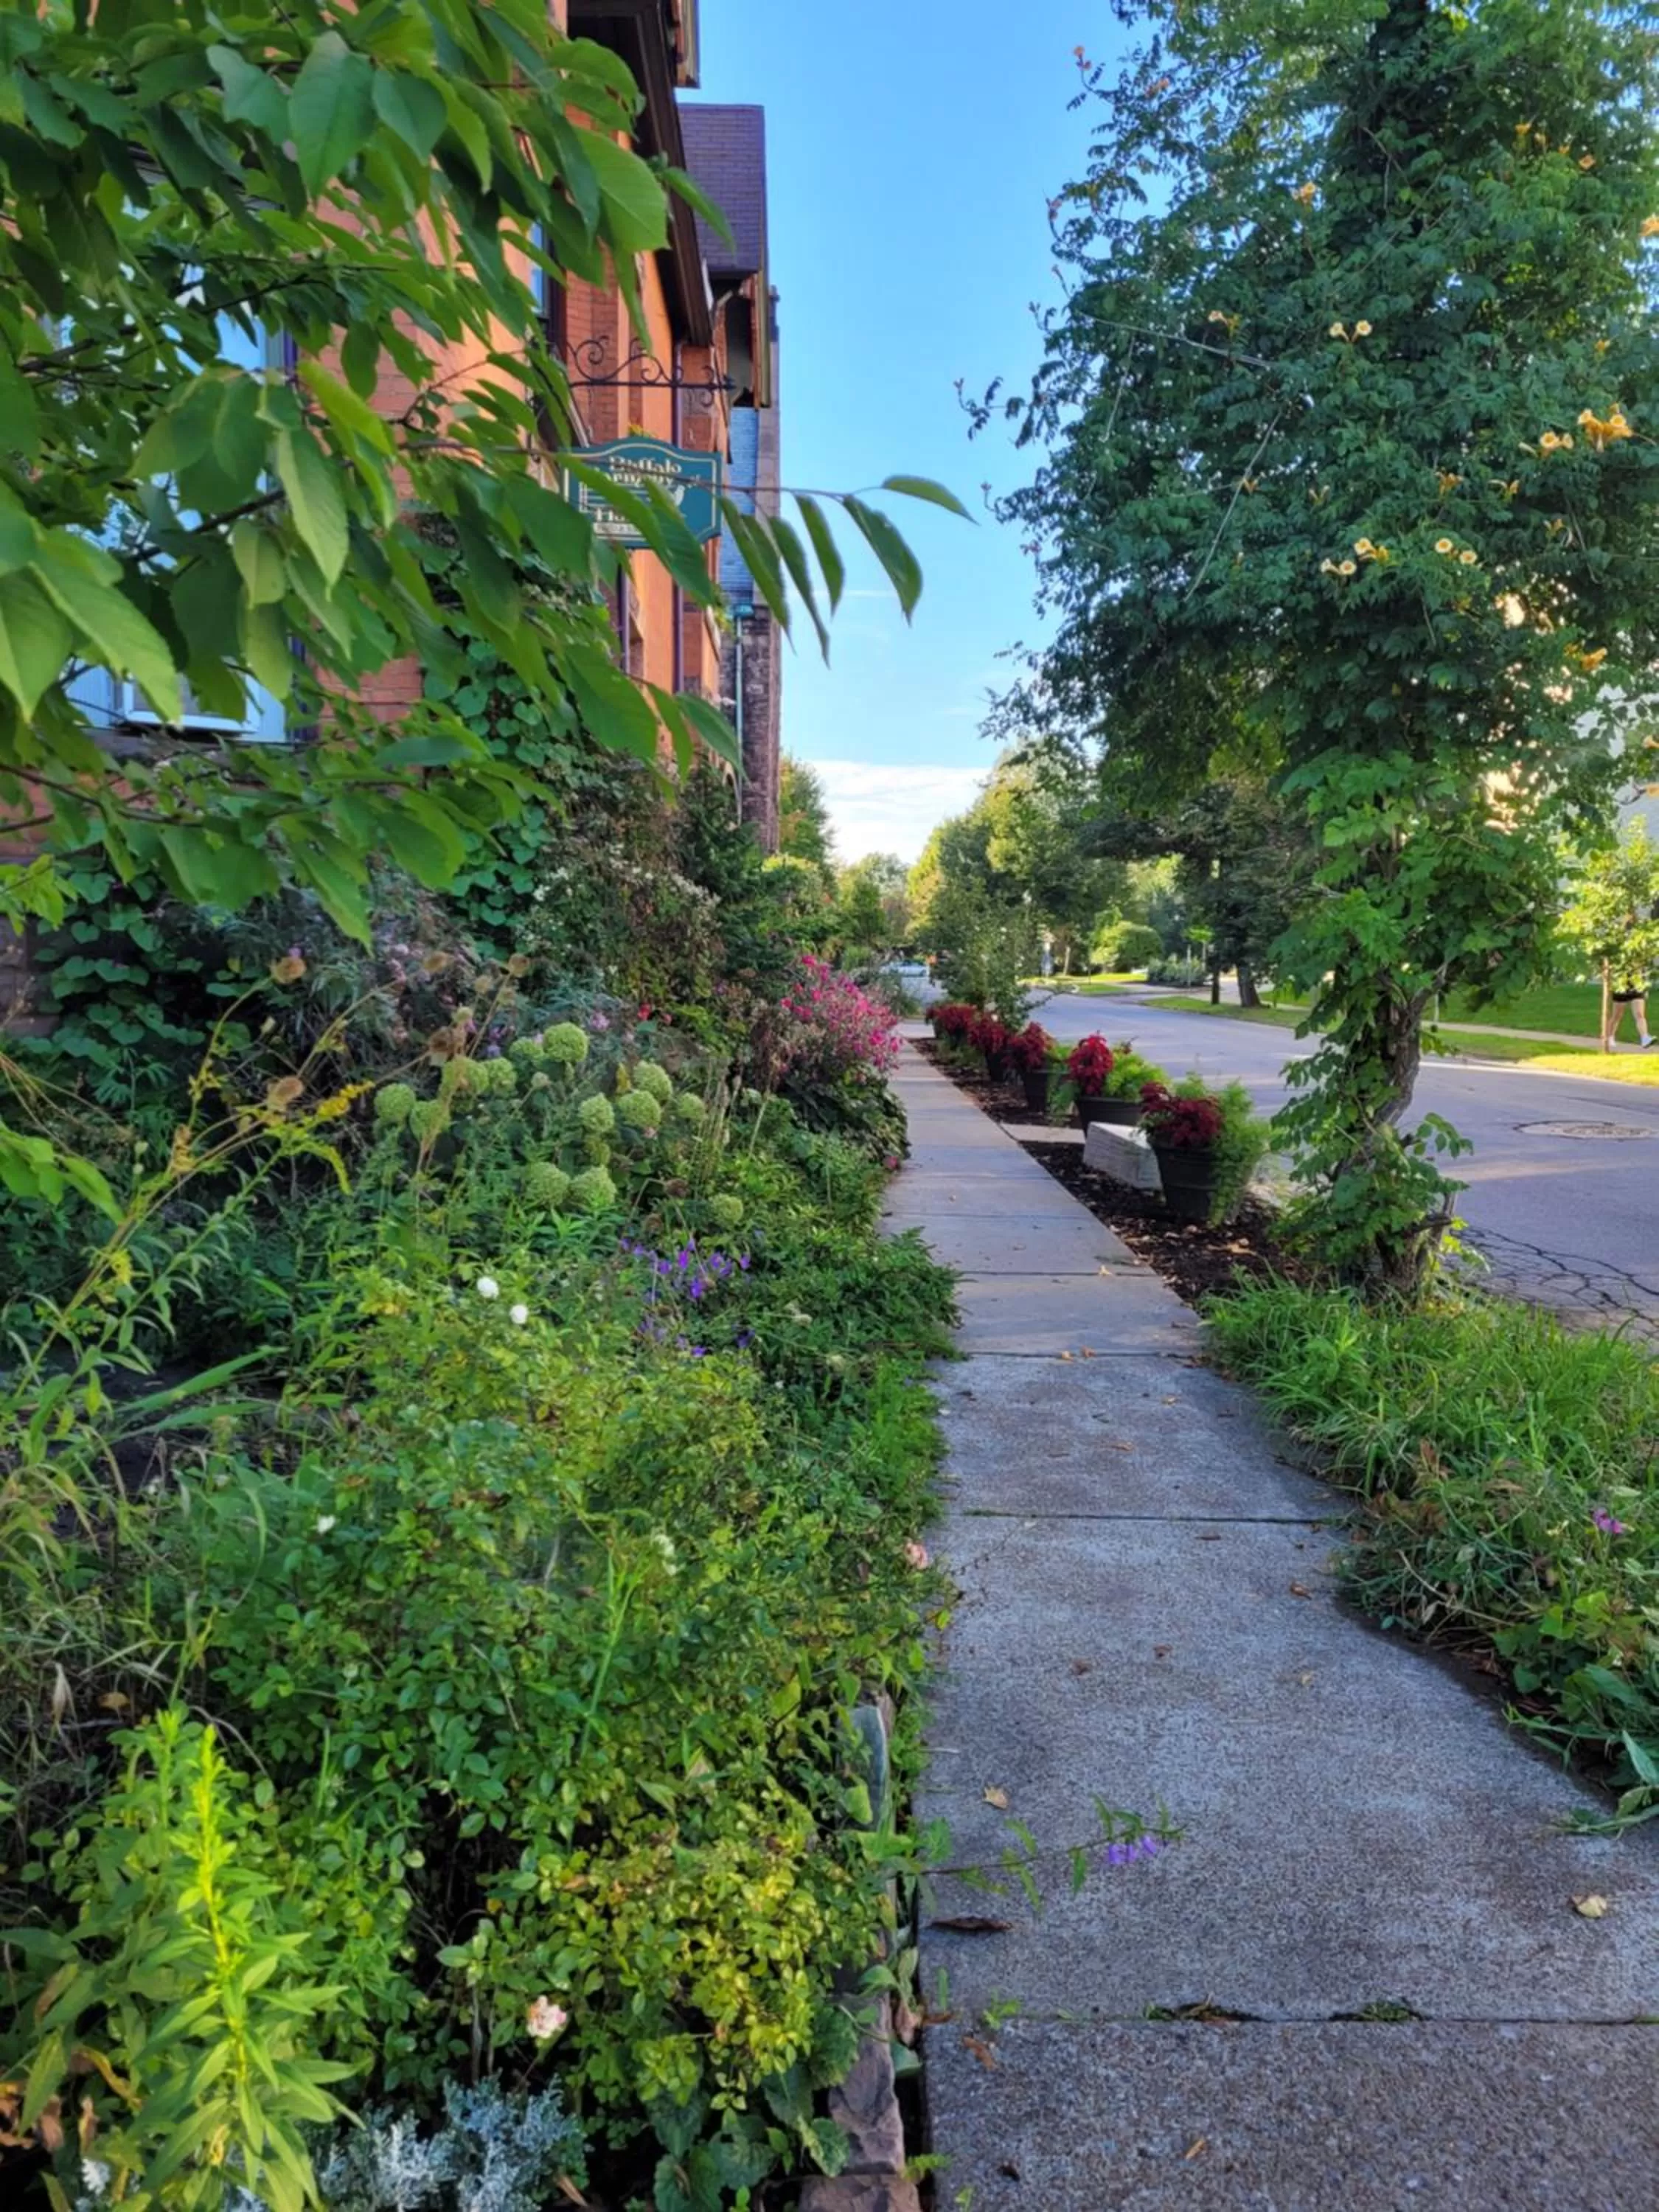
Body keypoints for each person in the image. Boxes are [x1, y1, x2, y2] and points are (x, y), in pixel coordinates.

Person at [1604, 950, 1657, 1050]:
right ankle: (1610, 1037)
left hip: (1637, 985)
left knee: (1639, 1014)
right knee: (1617, 1015)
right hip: (1621, 985)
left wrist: (1644, 986)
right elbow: (1610, 969)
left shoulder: (1639, 952)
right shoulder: (1619, 953)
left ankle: (1645, 1038)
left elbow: (1642, 971)